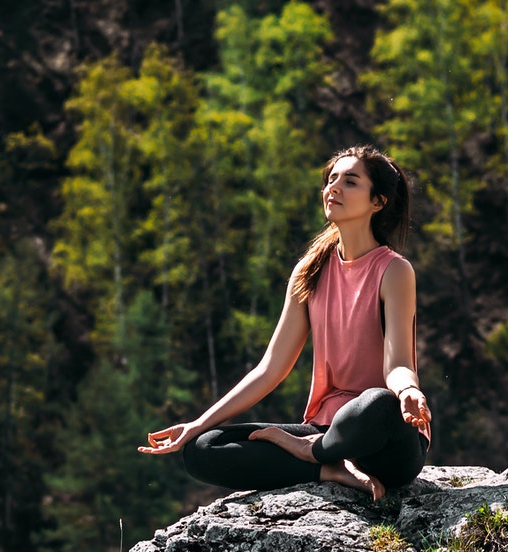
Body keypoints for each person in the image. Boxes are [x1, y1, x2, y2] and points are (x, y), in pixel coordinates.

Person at [139, 145, 432, 501]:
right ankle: (327, 468)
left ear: (378, 202)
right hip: (322, 429)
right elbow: (270, 369)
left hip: (385, 439)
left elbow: (397, 363)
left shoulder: (393, 270)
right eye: (332, 179)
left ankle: (317, 452)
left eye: (350, 181)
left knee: (377, 403)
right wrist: (199, 424)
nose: (334, 188)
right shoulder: (310, 270)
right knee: (204, 448)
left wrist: (408, 392)